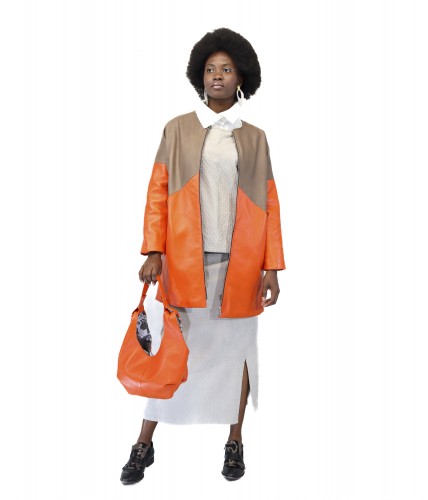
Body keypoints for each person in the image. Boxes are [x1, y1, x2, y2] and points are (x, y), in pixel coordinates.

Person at [120, 27, 286, 485]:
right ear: (200, 76)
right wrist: (154, 249)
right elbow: (157, 193)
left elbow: (270, 205)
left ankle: (235, 441)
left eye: (226, 69)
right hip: (185, 264)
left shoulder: (255, 138)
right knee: (170, 349)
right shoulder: (177, 129)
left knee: (238, 353)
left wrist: (272, 266)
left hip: (241, 266)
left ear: (240, 78)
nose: (218, 75)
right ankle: (144, 442)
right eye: (211, 69)